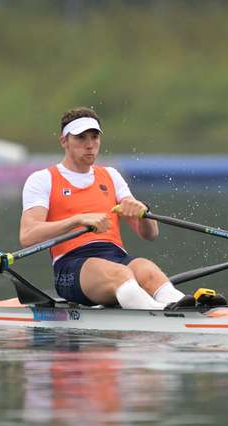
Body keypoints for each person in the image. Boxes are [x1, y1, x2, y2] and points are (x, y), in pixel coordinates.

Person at [20, 107, 198, 310]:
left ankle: (186, 307)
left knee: (147, 269)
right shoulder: (43, 179)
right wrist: (77, 220)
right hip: (71, 266)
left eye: (94, 137)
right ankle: (162, 313)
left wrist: (143, 212)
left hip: (116, 257)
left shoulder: (111, 175)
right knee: (121, 275)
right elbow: (27, 236)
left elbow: (150, 234)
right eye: (81, 138)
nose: (89, 145)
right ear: (64, 141)